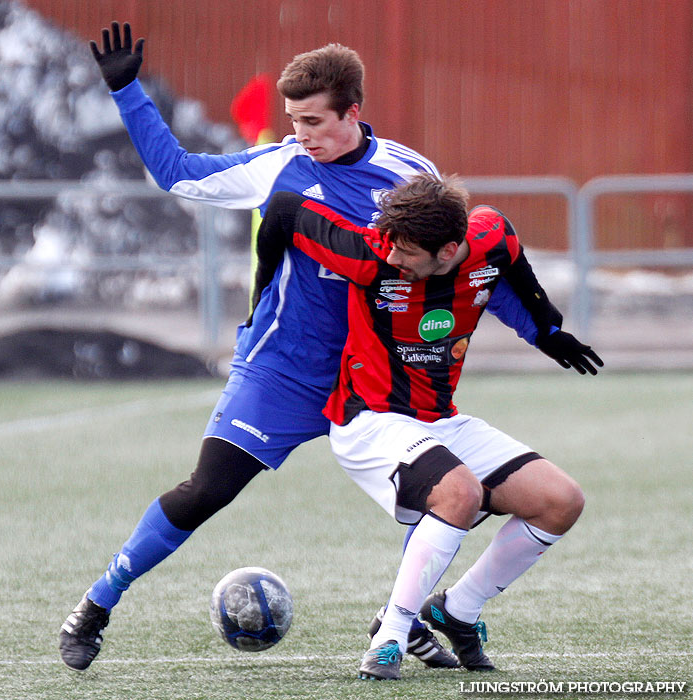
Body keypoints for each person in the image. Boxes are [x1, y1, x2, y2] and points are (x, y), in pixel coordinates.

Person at [59, 22, 598, 671]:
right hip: (282, 371)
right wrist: (127, 92)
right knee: (205, 491)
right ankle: (96, 603)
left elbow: (468, 267)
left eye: (313, 120)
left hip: (376, 376)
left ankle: (404, 622)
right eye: (293, 119)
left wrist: (540, 331)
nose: (300, 134)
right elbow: (178, 175)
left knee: (444, 497)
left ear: (353, 112)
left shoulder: (410, 174)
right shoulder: (280, 166)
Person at [251, 174, 602, 680]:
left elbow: (511, 253)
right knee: (458, 492)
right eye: (391, 246)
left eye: (408, 252)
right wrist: (261, 295)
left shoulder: (488, 238)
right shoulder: (370, 255)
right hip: (367, 421)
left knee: (561, 501)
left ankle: (457, 610)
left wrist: (549, 329)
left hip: (440, 422)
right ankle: (391, 636)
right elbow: (283, 208)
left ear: (451, 249)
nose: (393, 259)